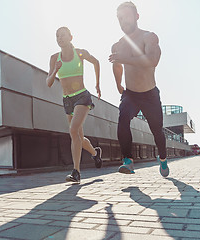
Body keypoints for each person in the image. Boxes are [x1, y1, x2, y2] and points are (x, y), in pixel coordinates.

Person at [109, 2, 169, 177]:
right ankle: (127, 161)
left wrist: (125, 58)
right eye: (120, 18)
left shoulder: (149, 37)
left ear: (136, 16)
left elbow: (152, 60)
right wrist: (118, 83)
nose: (123, 21)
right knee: (122, 119)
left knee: (157, 130)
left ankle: (163, 158)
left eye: (126, 17)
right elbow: (117, 65)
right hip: (131, 94)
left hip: (150, 94)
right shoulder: (118, 45)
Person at [46, 26, 102, 183]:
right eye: (57, 36)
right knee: (79, 137)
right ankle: (95, 154)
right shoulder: (54, 58)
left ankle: (76, 172)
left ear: (71, 37)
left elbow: (96, 62)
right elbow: (48, 82)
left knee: (73, 130)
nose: (59, 38)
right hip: (67, 100)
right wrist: (55, 71)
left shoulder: (80, 53)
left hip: (82, 97)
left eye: (62, 35)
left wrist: (97, 84)